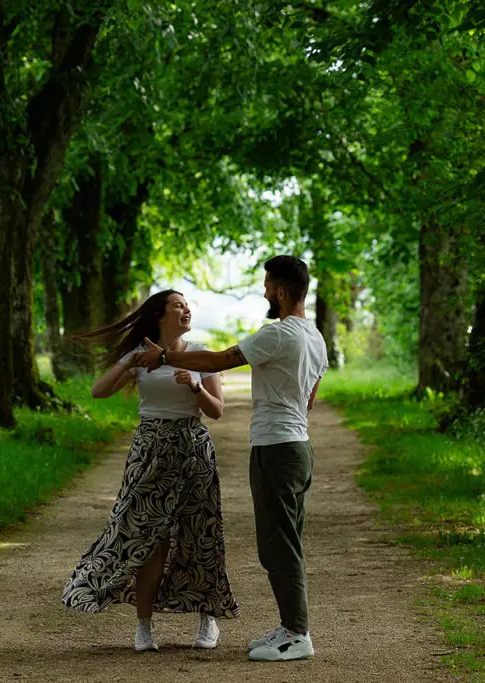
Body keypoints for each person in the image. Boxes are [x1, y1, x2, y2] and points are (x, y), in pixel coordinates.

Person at [132, 255, 327, 662]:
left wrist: (164, 359)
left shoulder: (278, 335)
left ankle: (297, 633)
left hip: (276, 448)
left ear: (282, 291)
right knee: (283, 540)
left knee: (279, 545)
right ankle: (290, 625)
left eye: (268, 287)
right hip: (298, 445)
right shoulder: (316, 337)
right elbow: (309, 399)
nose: (264, 293)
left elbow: (219, 360)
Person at [61, 290, 239, 652]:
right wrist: (129, 364)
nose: (186, 309)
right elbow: (98, 391)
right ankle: (144, 627)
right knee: (147, 537)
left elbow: (217, 410)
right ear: (160, 315)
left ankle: (208, 620)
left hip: (192, 449)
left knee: (199, 533)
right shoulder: (139, 356)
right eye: (178, 305)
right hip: (150, 451)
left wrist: (195, 385)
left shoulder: (200, 354)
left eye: (188, 305)